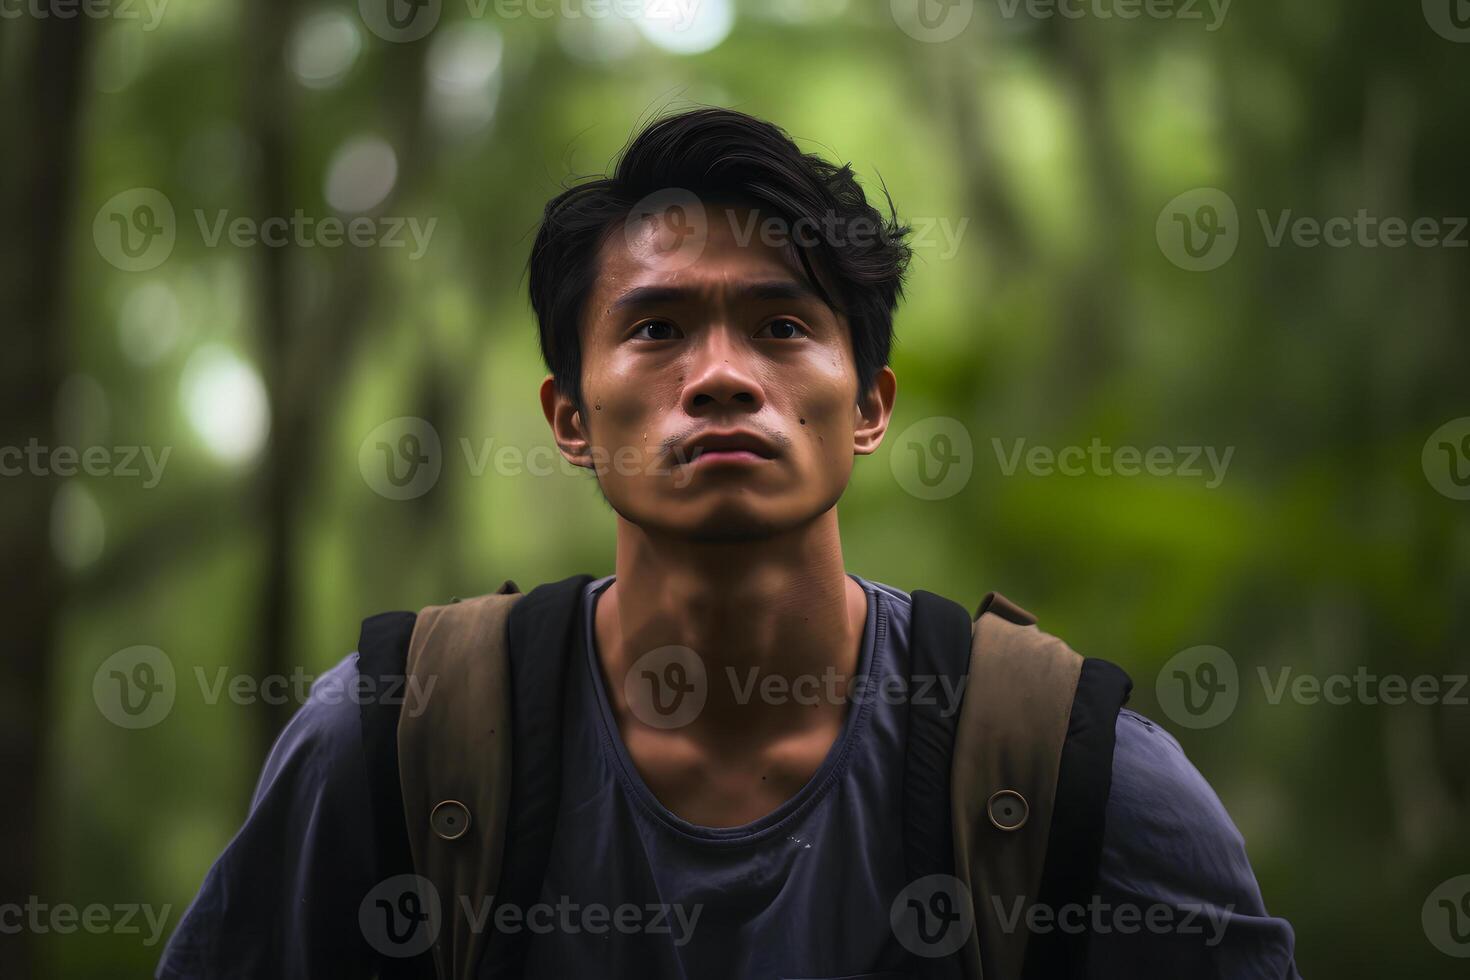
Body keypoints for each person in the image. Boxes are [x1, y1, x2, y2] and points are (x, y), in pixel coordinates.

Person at [157, 107, 1301, 979]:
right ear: (570, 420)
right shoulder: (393, 740)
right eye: (656, 327)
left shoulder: (1060, 766)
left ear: (868, 404)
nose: (718, 375)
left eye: (783, 325)